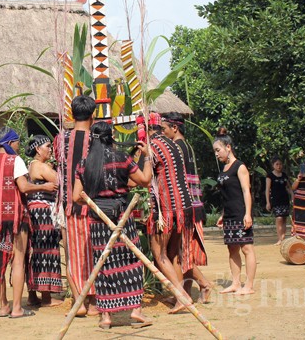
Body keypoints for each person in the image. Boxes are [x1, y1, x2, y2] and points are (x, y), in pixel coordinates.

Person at [73, 121, 153, 330]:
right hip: (122, 219)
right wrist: (147, 159)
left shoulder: (84, 163)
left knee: (103, 265)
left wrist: (95, 198)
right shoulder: (122, 158)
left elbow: (76, 197)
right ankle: (135, 312)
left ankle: (106, 316)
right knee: (131, 261)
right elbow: (145, 180)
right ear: (111, 137)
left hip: (98, 222)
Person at [0, 127, 56, 318]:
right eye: (16, 142)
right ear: (9, 143)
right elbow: (23, 187)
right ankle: (16, 308)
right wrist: (44, 186)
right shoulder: (15, 160)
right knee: (18, 262)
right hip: (16, 218)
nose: (18, 145)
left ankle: (3, 305)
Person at [161, 112, 213, 303]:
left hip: (186, 206)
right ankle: (183, 293)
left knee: (180, 253)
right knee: (180, 252)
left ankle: (204, 284)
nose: (162, 133)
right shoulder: (186, 146)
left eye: (164, 129)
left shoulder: (176, 148)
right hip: (193, 205)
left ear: (174, 128)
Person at [146, 112, 194, 312]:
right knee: (173, 254)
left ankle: (182, 297)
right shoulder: (173, 144)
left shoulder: (152, 147)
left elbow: (143, 178)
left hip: (166, 208)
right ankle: (180, 297)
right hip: (183, 206)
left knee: (160, 254)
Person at [54, 95, 97, 316]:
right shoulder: (96, 139)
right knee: (94, 251)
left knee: (73, 254)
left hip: (68, 204)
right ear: (93, 115)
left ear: (72, 114)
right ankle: (94, 302)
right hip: (94, 205)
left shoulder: (61, 139)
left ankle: (79, 301)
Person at [214, 128, 256, 295]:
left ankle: (249, 286)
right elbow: (227, 195)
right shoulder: (223, 169)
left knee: (246, 248)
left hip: (240, 213)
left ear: (228, 147)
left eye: (218, 150)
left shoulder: (240, 167)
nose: (216, 154)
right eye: (215, 151)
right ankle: (236, 283)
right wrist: (223, 215)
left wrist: (248, 214)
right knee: (232, 249)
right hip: (229, 215)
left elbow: (246, 191)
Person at [24, 135, 64, 308]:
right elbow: (61, 181)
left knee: (35, 251)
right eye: (47, 146)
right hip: (42, 212)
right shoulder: (39, 166)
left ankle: (33, 295)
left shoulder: (31, 166)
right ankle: (46, 297)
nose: (50, 149)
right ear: (38, 149)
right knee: (46, 250)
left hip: (35, 210)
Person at [265, 157, 292, 245]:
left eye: (280, 164)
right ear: (273, 165)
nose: (279, 166)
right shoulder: (270, 176)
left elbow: (288, 187)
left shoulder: (284, 175)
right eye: (277, 164)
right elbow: (267, 189)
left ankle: (283, 238)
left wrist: (293, 195)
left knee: (284, 218)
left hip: (285, 199)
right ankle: (279, 238)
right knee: (279, 218)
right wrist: (268, 202)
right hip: (276, 200)